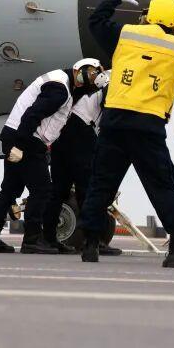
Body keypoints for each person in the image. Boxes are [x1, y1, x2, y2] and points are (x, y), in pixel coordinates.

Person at [77, 0, 174, 266]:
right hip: (148, 126)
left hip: (115, 120)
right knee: (162, 187)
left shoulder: (125, 35)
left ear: (147, 16)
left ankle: (90, 244)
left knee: (101, 183)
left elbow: (96, 20)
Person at [0, 59, 106, 254]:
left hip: (17, 136)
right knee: (42, 190)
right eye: (88, 74)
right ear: (78, 69)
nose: (87, 80)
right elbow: (32, 115)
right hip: (26, 140)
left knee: (9, 190)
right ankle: (31, 240)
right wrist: (20, 145)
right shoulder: (60, 90)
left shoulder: (63, 83)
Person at [41, 62, 119, 255]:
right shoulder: (112, 80)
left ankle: (49, 238)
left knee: (59, 189)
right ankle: (93, 240)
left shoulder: (109, 76)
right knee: (88, 189)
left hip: (65, 133)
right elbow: (109, 102)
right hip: (80, 131)